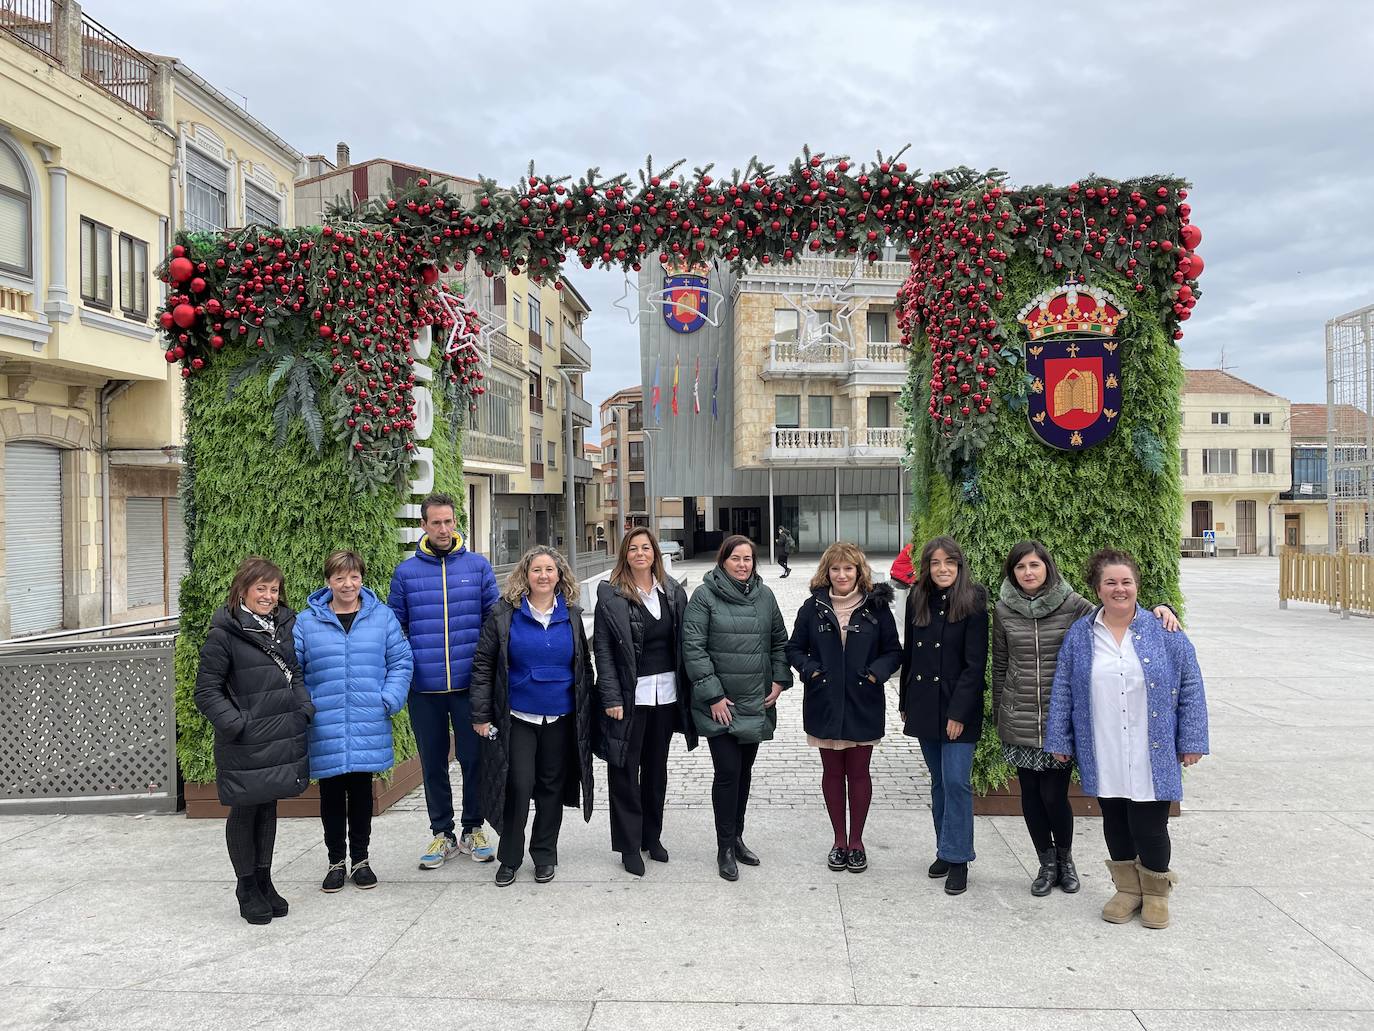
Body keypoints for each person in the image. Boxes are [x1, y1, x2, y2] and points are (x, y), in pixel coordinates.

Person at [992, 540, 1180, 898]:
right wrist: (1001, 709)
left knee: (1054, 795)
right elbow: (1000, 664)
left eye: (1035, 565)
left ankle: (1065, 860)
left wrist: (1161, 607)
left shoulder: (1073, 605)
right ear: (1012, 573)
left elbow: (1117, 612)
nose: (1028, 573)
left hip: (1060, 717)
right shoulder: (1003, 610)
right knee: (1029, 795)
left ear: (1048, 567)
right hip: (1018, 716)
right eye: (1020, 567)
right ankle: (1045, 864)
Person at [1046, 549, 1208, 929]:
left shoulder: (1163, 630)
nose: (1120, 589)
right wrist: (1060, 739)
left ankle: (1155, 893)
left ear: (1137, 586)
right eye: (1110, 583)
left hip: (1151, 748)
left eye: (1126, 582)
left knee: (1150, 825)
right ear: (1098, 589)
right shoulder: (1081, 635)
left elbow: (1190, 684)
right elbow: (1064, 689)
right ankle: (1127, 890)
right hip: (1103, 746)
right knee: (1115, 821)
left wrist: (1193, 738)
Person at [194, 556, 314, 925]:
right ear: (243, 590)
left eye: (273, 589)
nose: (268, 595)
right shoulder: (224, 634)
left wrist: (303, 706)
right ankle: (246, 886)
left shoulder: (282, 626)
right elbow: (206, 690)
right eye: (261, 588)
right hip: (245, 739)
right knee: (246, 808)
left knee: (267, 806)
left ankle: (265, 879)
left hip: (279, 733)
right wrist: (237, 725)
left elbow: (293, 671)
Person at [470, 547, 595, 886]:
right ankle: (509, 858)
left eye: (549, 570)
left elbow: (583, 667)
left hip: (561, 718)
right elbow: (483, 666)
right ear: (525, 575)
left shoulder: (570, 615)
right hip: (518, 718)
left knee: (551, 788)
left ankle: (544, 855)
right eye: (536, 569)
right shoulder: (504, 614)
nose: (543, 575)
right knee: (519, 785)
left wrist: (590, 713)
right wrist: (481, 715)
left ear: (560, 576)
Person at [388, 492, 500, 869]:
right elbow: (396, 629)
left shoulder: (478, 567)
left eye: (448, 521)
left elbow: (493, 624)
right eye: (435, 522)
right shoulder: (405, 574)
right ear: (423, 525)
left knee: (473, 759)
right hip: (425, 689)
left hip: (470, 688)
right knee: (433, 762)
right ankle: (442, 833)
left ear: (456, 523)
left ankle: (473, 827)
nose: (442, 528)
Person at [295, 550, 413, 893]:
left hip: (368, 718)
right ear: (328, 581)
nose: (348, 584)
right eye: (339, 578)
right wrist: (307, 706)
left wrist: (388, 698)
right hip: (326, 722)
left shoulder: (382, 617)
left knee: (362, 792)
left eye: (354, 577)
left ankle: (360, 860)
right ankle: (335, 862)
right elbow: (295, 670)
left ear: (362, 578)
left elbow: (401, 661)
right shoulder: (307, 621)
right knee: (331, 794)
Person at [785, 542, 902, 873]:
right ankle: (839, 840)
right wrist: (812, 671)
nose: (841, 575)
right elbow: (794, 648)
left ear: (858, 571)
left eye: (848, 568)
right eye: (835, 569)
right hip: (825, 702)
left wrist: (875, 675)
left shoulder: (875, 608)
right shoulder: (813, 607)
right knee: (833, 773)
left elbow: (893, 651)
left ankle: (857, 842)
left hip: (864, 701)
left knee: (859, 772)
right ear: (827, 572)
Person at [683, 534, 792, 881]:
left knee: (744, 774)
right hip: (722, 704)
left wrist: (779, 679)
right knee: (728, 773)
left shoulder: (765, 596)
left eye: (748, 559)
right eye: (736, 558)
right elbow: (694, 648)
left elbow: (779, 640)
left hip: (755, 700)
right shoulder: (704, 597)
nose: (743, 564)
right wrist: (713, 695)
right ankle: (724, 847)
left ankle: (738, 837)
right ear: (722, 561)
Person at [594, 528, 698, 876]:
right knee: (624, 770)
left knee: (656, 770)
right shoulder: (610, 596)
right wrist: (610, 696)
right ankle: (628, 845)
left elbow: (683, 645)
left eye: (646, 548)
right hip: (628, 699)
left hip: (666, 696)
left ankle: (652, 837)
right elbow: (604, 651)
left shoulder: (672, 592)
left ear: (655, 553)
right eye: (633, 549)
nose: (641, 553)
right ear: (625, 554)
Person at [899, 536, 987, 896]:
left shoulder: (973, 600)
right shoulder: (917, 598)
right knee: (937, 782)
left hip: (957, 707)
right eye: (935, 563)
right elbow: (910, 654)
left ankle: (959, 858)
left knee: (956, 781)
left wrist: (959, 713)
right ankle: (944, 849)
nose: (942, 569)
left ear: (959, 565)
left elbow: (974, 664)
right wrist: (904, 698)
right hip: (922, 703)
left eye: (949, 562)